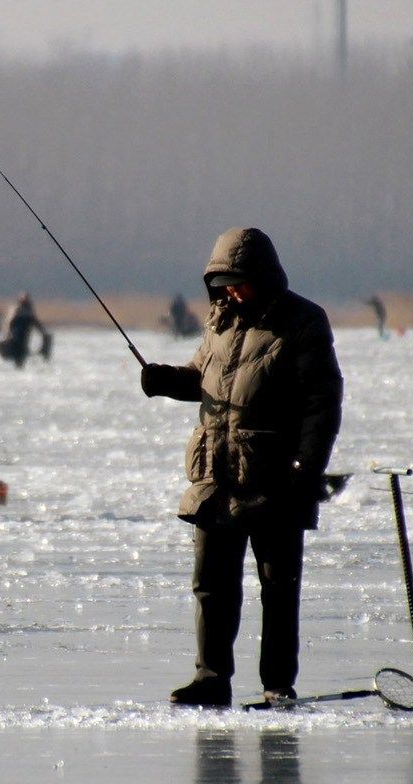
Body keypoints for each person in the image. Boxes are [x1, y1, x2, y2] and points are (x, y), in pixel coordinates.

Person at [139, 227, 344, 707]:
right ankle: (211, 679)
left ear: (264, 276)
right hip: (216, 476)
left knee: (278, 589)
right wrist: (165, 380)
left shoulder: (304, 322)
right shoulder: (220, 320)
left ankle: (277, 684)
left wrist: (307, 468)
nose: (231, 291)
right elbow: (204, 379)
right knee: (211, 586)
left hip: (275, 479)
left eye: (239, 281)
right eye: (223, 283)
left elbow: (323, 402)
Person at [0, 292, 51, 369]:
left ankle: (17, 372)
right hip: (18, 341)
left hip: (20, 340)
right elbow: (9, 325)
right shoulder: (20, 312)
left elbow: (37, 324)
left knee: (19, 360)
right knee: (19, 360)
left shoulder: (19, 312)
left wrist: (43, 333)